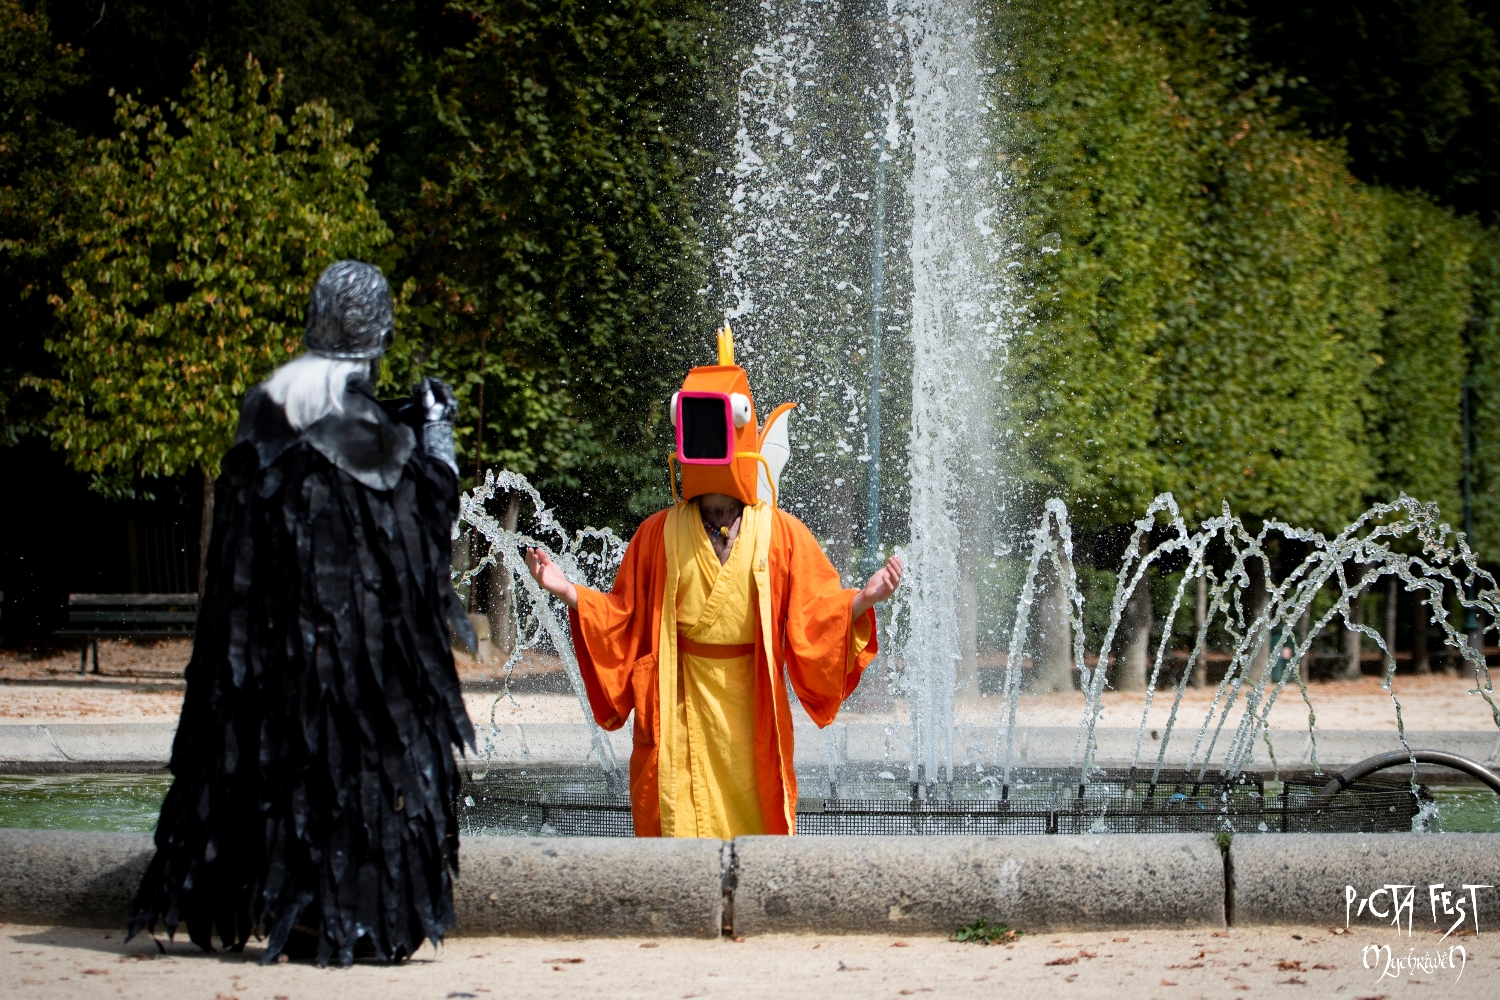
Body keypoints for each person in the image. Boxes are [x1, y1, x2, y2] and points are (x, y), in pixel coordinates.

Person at [128, 261, 476, 966]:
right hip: (348, 654)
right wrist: (437, 433)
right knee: (352, 777)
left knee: (275, 772)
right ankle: (339, 919)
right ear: (377, 340)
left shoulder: (265, 409)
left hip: (261, 647)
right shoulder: (369, 431)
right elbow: (426, 516)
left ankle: (265, 900)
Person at [526, 327, 903, 838]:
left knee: (756, 821)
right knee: (680, 823)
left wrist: (863, 598)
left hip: (751, 704)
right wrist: (568, 591)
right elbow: (624, 616)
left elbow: (815, 613)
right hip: (680, 699)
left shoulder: (781, 532)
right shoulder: (658, 533)